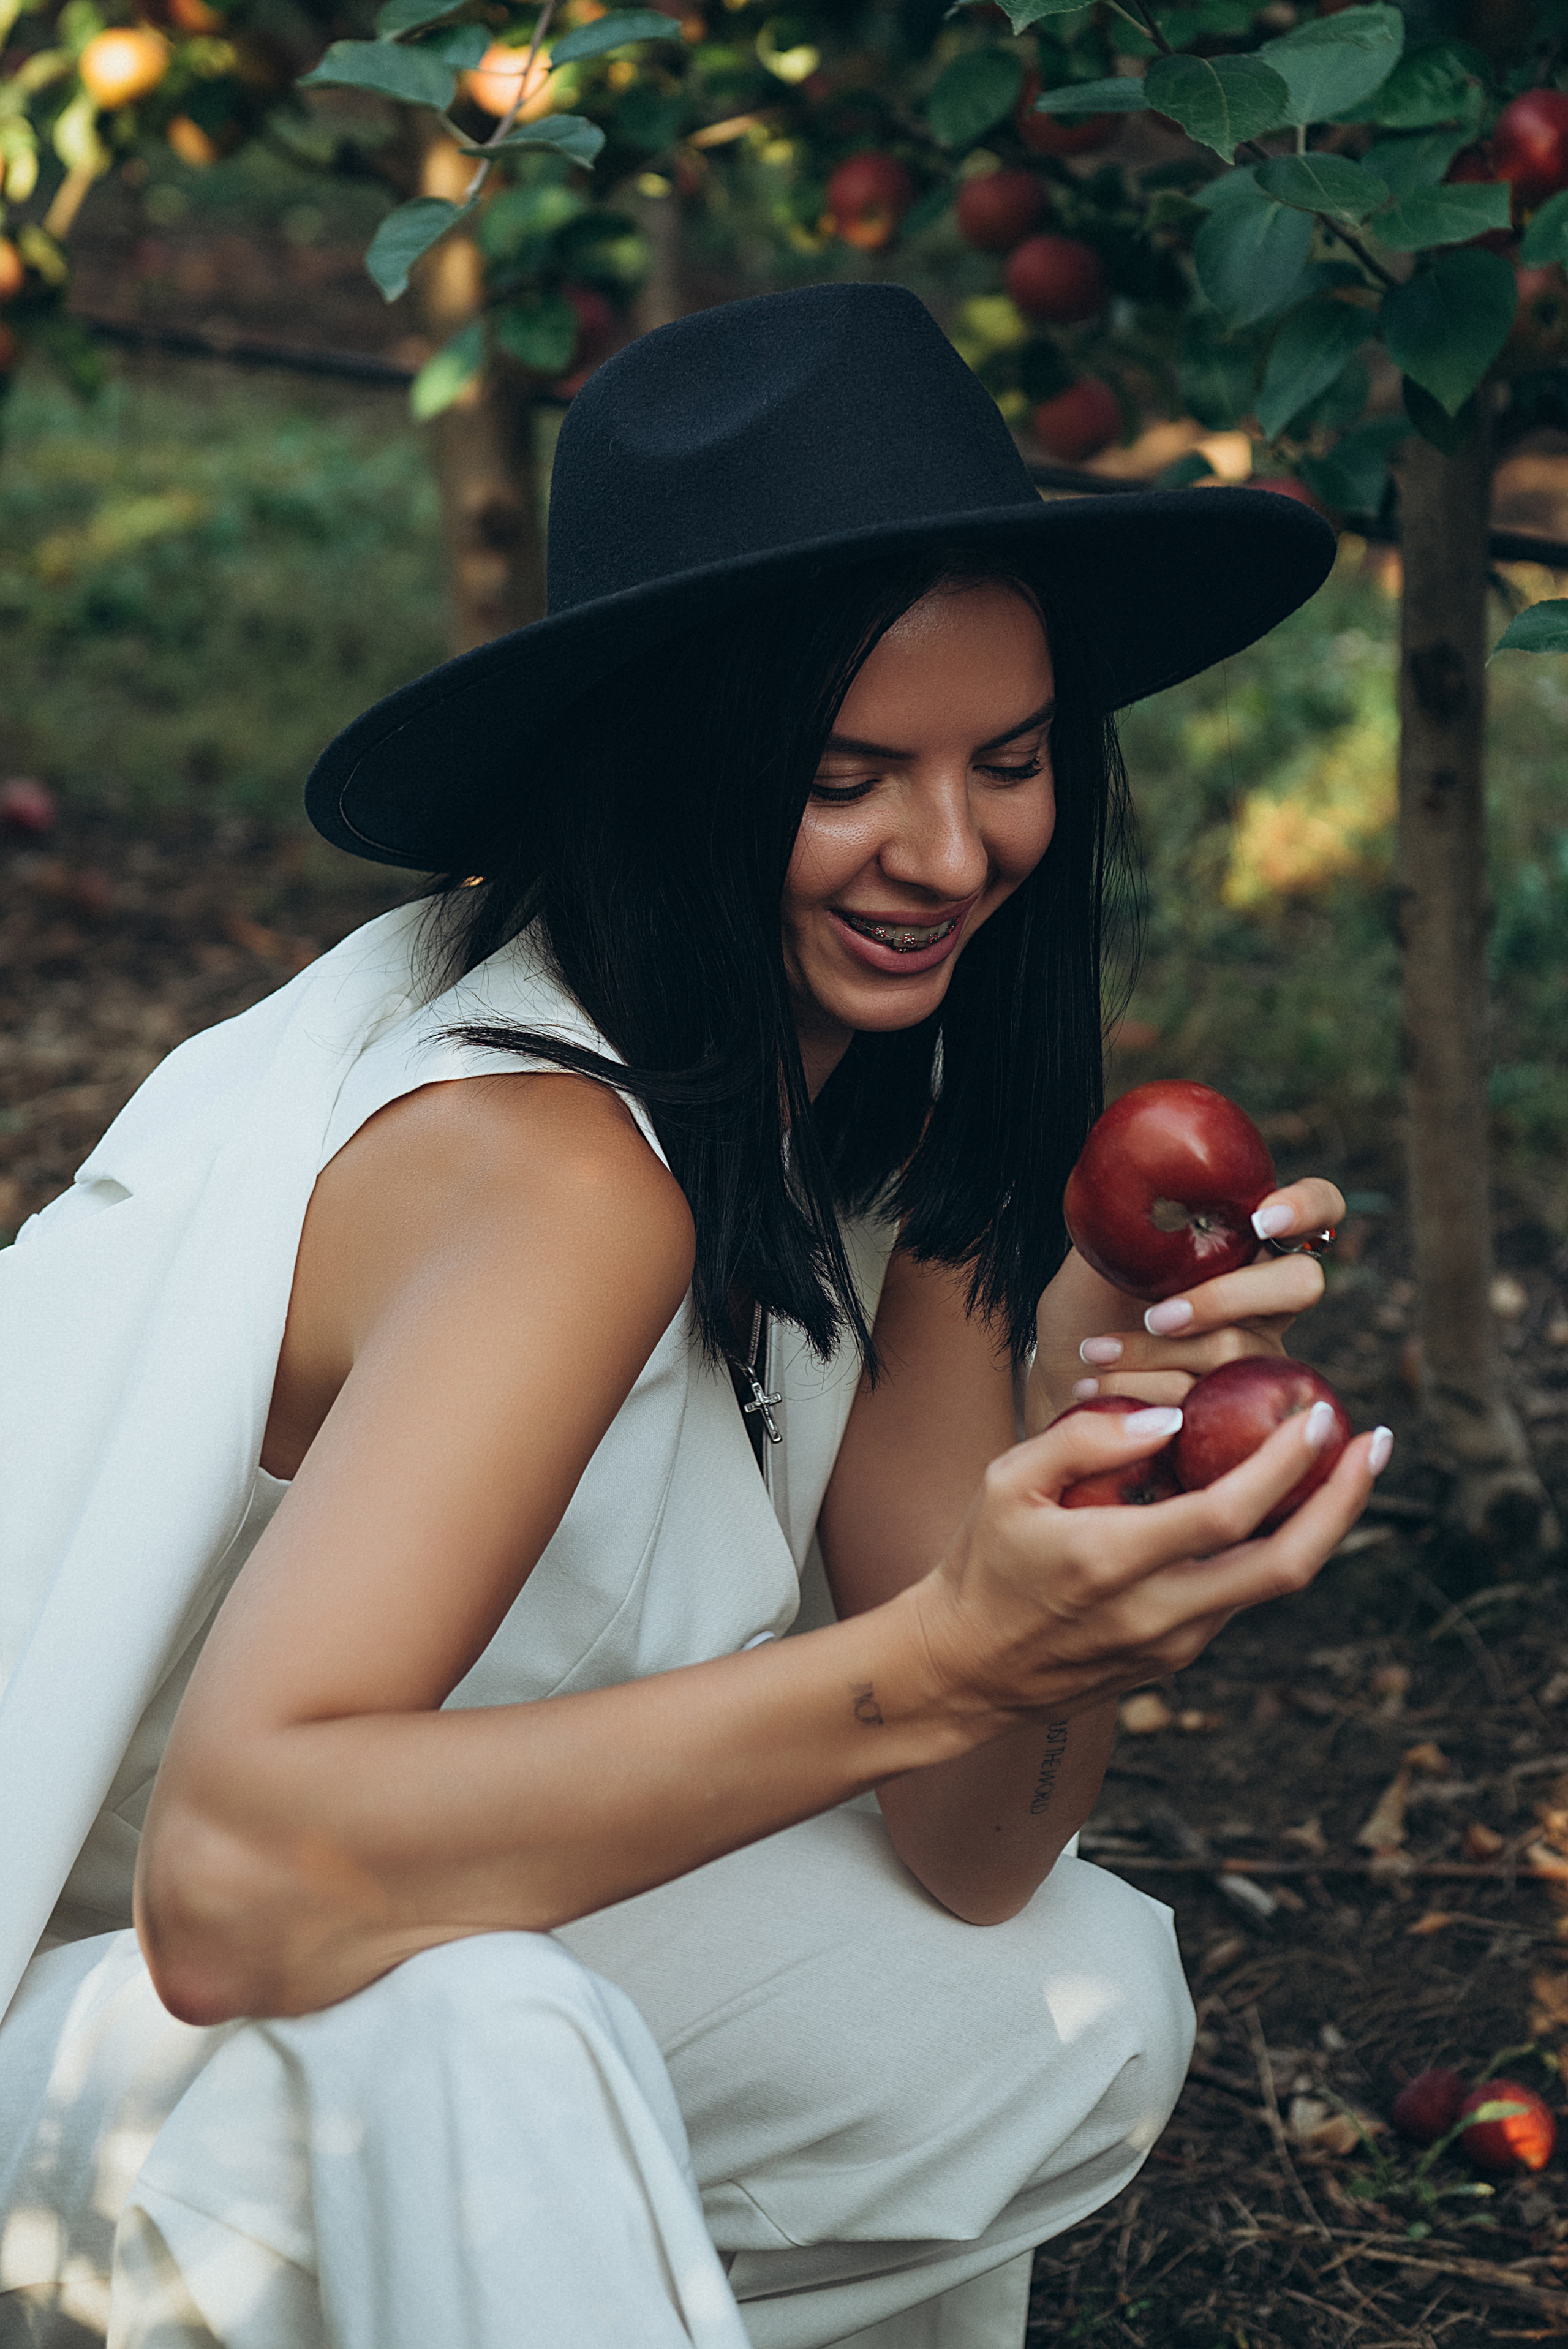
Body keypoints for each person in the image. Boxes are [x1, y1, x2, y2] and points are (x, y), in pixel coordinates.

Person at [0, 283, 1390, 2349]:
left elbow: (973, 1844)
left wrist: (1095, 1439)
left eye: (1009, 762)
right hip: (91, 2036)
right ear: (678, 778)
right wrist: (933, 1654)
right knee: (486, 2038)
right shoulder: (554, 1167)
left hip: (332, 1995)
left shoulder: (864, 1124)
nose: (951, 850)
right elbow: (229, 1886)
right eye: (848, 778)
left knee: (1057, 2003)